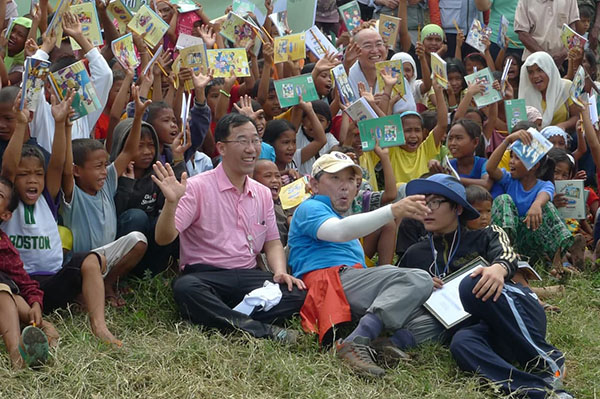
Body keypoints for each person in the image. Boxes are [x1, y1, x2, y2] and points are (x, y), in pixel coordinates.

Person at [399, 174, 572, 399]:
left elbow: (508, 255)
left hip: (518, 313)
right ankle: (541, 393)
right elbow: (397, 282)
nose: (427, 209)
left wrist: (499, 268)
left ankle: (550, 360)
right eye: (423, 203)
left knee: (471, 284)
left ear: (458, 209)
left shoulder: (486, 235)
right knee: (461, 343)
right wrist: (417, 283)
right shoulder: (416, 253)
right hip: (483, 330)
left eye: (435, 202)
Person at [153, 113, 306, 343]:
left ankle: (220, 317)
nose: (251, 148)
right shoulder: (197, 187)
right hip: (206, 276)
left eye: (255, 141)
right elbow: (164, 238)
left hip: (247, 276)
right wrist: (171, 203)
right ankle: (260, 329)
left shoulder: (262, 192)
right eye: (242, 141)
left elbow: (273, 241)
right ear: (221, 148)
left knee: (298, 294)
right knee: (186, 289)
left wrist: (280, 272)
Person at [288, 151, 435, 377]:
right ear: (314, 185)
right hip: (331, 281)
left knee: (434, 314)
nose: (345, 186)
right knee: (419, 279)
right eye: (335, 178)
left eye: (350, 180)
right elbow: (338, 232)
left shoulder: (341, 215)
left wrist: (412, 288)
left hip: (351, 281)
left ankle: (387, 344)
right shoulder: (311, 207)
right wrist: (392, 210)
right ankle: (357, 339)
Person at [0, 176, 52, 369]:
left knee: (10, 293)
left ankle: (38, 339)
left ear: (5, 215)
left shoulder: (4, 246)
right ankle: (18, 354)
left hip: (5, 299)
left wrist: (36, 303)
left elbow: (25, 281)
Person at [347, 27, 416, 114]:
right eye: (368, 46)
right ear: (355, 50)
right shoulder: (348, 76)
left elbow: (408, 116)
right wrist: (370, 107)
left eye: (379, 44)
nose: (375, 50)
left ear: (386, 49)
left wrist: (387, 104)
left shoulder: (395, 75)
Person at [514, 0, 580, 64]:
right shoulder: (525, 1)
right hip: (534, 61)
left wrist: (564, 53)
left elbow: (573, 27)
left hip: (563, 61)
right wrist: (545, 57)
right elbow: (522, 34)